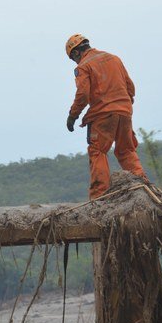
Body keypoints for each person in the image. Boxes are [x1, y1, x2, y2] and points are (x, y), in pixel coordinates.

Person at [65, 34, 149, 199]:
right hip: (125, 111)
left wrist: (73, 115)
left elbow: (83, 94)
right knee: (126, 150)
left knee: (97, 151)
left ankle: (100, 197)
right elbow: (130, 86)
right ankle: (143, 188)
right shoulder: (114, 59)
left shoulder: (83, 66)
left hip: (102, 115)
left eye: (73, 58)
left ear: (75, 53)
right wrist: (124, 105)